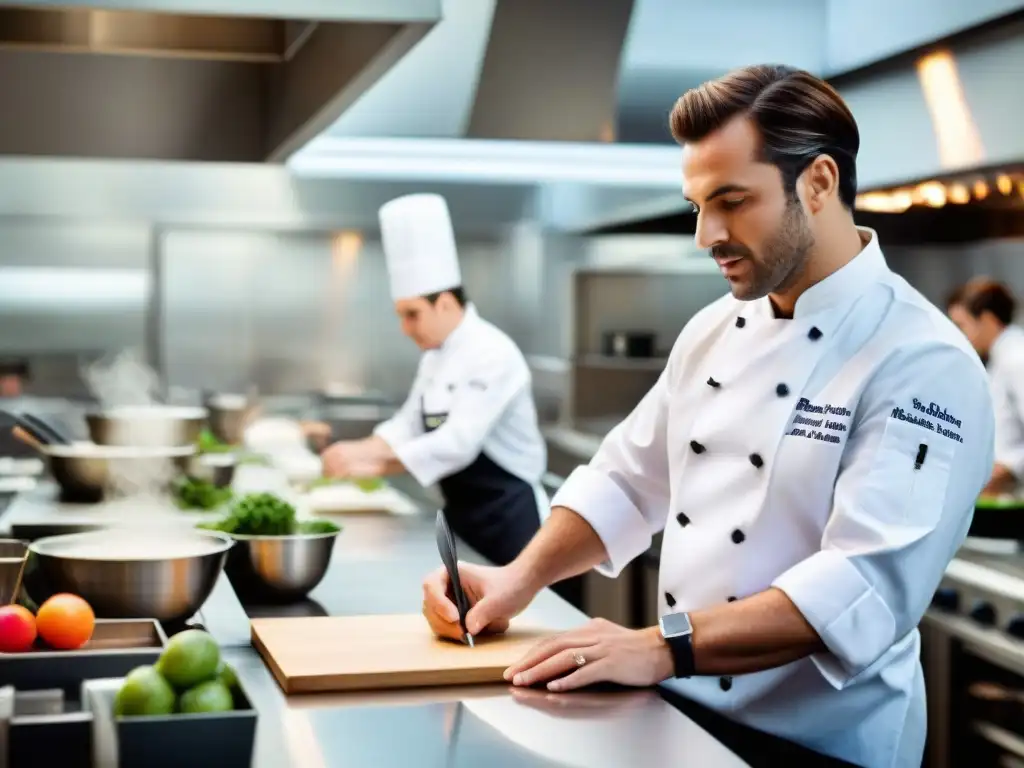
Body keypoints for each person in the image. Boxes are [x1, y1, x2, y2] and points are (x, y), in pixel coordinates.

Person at [421, 64, 995, 768]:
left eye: (731, 200)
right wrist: (518, 577)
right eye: (697, 203)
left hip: (820, 745)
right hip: (686, 714)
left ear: (817, 183)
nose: (706, 234)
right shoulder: (714, 329)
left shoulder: (921, 359)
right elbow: (629, 478)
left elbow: (860, 586)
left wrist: (658, 647)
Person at [322, 193, 581, 605]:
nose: (405, 328)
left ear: (443, 302)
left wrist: (371, 463)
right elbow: (405, 425)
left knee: (533, 633)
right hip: (465, 523)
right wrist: (354, 450)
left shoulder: (492, 352)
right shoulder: (437, 356)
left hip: (513, 526)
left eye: (411, 314)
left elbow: (457, 444)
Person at [947, 278, 1024, 497]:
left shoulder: (1017, 359)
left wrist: (1009, 469)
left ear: (988, 320)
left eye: (961, 325)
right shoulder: (1000, 360)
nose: (959, 335)